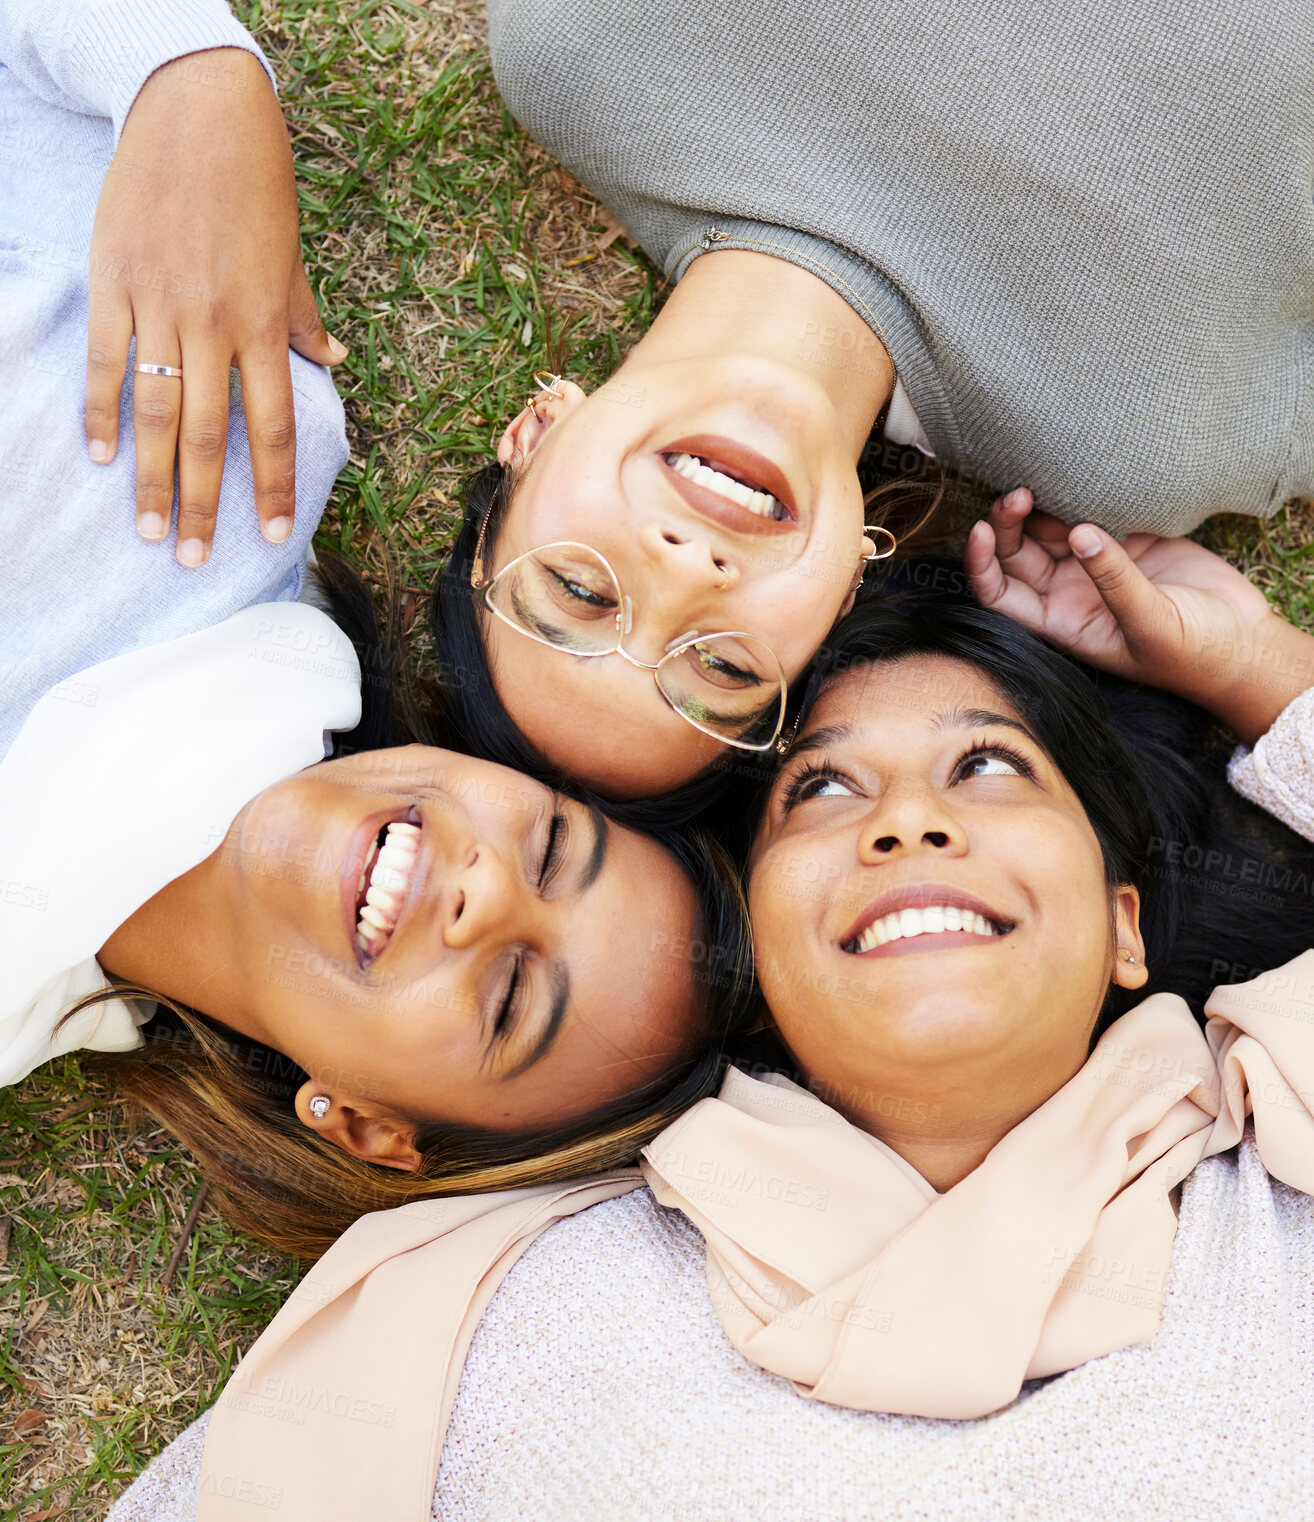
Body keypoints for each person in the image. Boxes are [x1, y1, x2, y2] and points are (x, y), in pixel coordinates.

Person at [105, 523, 1314, 1520]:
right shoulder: (492, 1302)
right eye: (822, 790)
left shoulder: (1283, 1135)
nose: (907, 824)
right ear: (763, 971)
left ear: (1123, 927)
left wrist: (1260, 667)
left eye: (990, 767)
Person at [0, 2, 753, 1259]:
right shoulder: (232, 453)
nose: (482, 893)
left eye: (513, 993)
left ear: (366, 1127)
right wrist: (185, 70)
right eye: (553, 846)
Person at [425, 0, 1314, 800]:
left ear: (534, 434)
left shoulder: (579, 49)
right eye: (725, 664)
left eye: (580, 590)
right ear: (844, 593)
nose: (689, 571)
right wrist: (1257, 665)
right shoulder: (1145, 437)